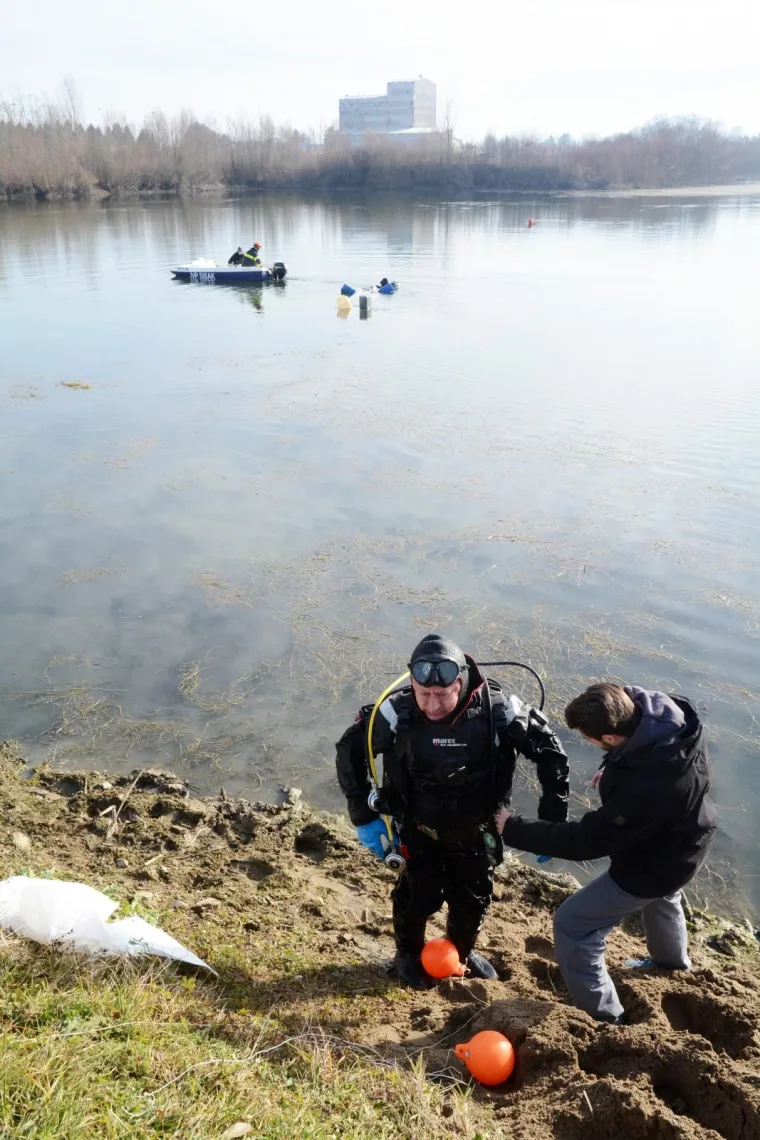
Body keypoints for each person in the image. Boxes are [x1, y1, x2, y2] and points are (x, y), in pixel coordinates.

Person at [336, 634, 570, 989]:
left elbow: (551, 753)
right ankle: (408, 954)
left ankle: (460, 952)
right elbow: (349, 750)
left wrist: (551, 822)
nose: (432, 705)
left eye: (442, 695)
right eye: (423, 693)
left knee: (472, 899)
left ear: (460, 682)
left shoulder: (500, 710)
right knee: (416, 897)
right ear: (411, 682)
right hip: (417, 828)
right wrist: (364, 816)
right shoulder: (393, 711)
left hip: (478, 830)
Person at [497, 683, 716, 1024]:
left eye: (592, 739)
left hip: (653, 864)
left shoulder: (645, 791)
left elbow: (584, 841)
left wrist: (511, 827)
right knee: (665, 896)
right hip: (689, 839)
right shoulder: (672, 714)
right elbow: (627, 710)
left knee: (573, 926)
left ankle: (605, 1018)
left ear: (612, 737)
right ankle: (672, 964)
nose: (591, 744)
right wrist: (618, 761)